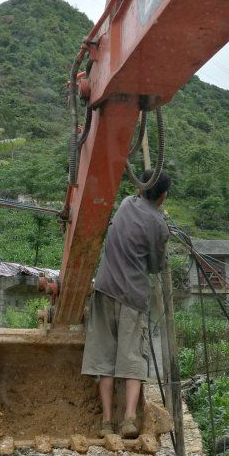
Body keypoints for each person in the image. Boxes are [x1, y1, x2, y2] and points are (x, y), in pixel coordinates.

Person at [81, 168, 170, 439]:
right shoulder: (159, 225)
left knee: (103, 356)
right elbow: (155, 266)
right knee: (132, 356)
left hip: (105, 289)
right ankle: (130, 419)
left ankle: (107, 421)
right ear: (163, 196)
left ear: (141, 188)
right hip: (132, 297)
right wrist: (161, 226)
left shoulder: (125, 203)